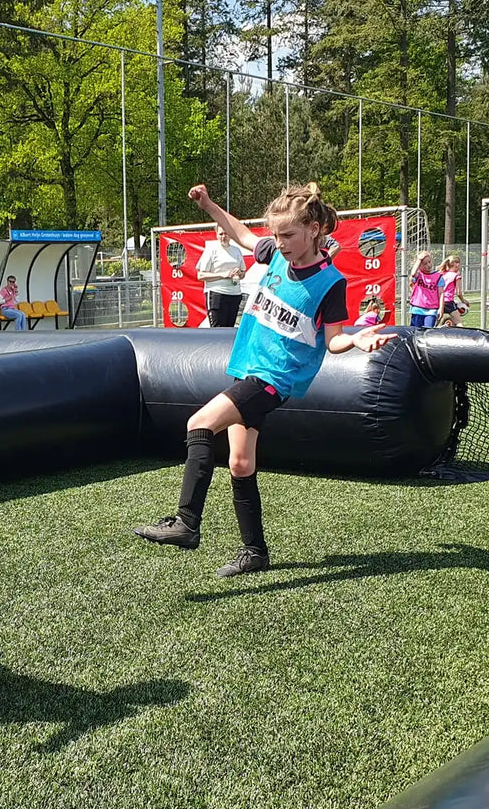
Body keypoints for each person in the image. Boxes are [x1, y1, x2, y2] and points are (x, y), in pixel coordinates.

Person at [133, 182, 397, 577]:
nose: (281, 242)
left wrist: (358, 337)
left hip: (273, 380)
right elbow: (241, 234)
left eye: (289, 234)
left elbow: (335, 340)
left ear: (314, 230)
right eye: (276, 235)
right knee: (240, 463)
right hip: (249, 369)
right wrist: (208, 205)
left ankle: (186, 523)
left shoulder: (331, 282)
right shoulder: (275, 254)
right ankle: (255, 552)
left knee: (198, 424)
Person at [196, 226, 245, 327]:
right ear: (216, 235)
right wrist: (222, 275)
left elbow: (243, 273)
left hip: (234, 294)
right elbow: (200, 275)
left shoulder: (236, 251)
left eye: (226, 233)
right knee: (217, 330)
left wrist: (239, 273)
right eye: (221, 234)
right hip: (217, 294)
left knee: (230, 329)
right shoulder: (211, 250)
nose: (224, 237)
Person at [408, 251, 442, 327]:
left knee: (428, 331)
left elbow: (441, 293)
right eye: (425, 264)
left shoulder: (438, 276)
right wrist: (419, 259)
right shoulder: (419, 275)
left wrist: (441, 308)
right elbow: (413, 274)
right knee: (416, 331)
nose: (428, 265)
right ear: (419, 266)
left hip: (431, 310)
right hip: (418, 309)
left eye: (429, 262)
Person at [436, 254, 469, 328]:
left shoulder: (442, 274)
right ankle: (461, 337)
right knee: (458, 323)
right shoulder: (456, 276)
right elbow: (458, 292)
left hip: (438, 301)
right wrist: (463, 301)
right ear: (456, 264)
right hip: (448, 302)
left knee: (434, 323)